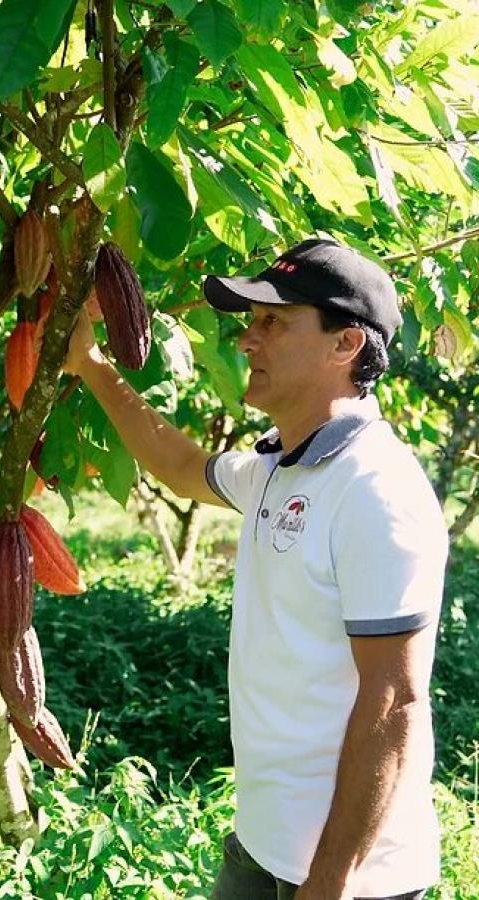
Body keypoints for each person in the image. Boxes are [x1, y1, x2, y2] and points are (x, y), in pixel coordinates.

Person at [63, 238, 446, 900]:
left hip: (354, 877)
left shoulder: (376, 490)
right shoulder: (276, 469)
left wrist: (331, 881)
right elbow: (182, 466)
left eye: (274, 322)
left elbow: (393, 704)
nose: (247, 340)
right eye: (252, 320)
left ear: (345, 345)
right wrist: (92, 366)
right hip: (262, 848)